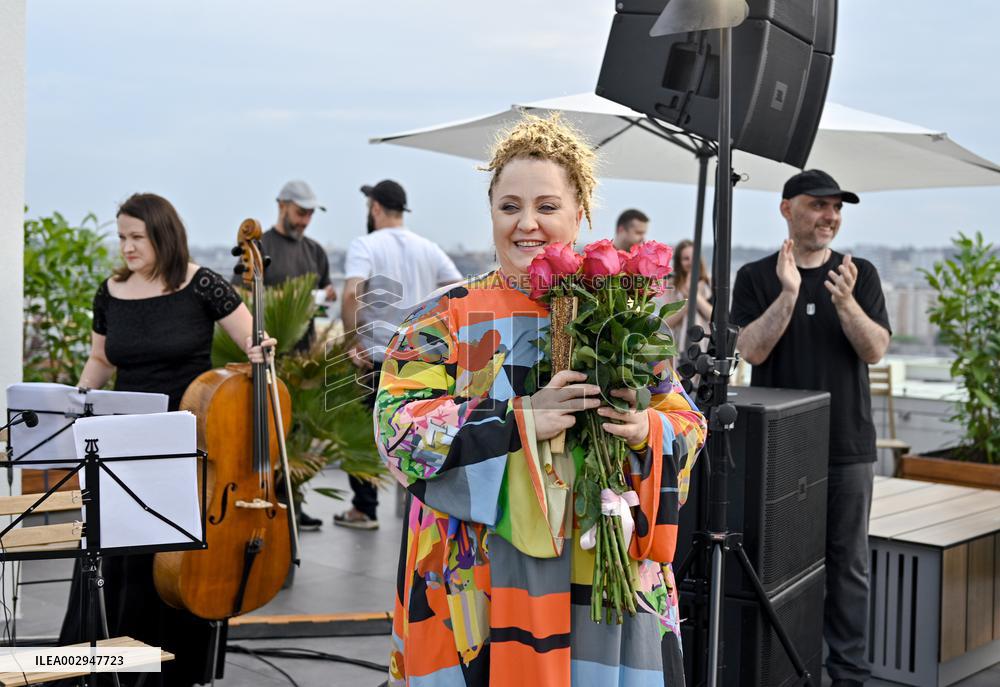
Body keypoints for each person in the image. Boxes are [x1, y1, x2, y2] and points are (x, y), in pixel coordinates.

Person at [376, 114, 706, 686]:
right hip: (476, 579)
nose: (527, 224)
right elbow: (397, 431)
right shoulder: (444, 316)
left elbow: (688, 422)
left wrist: (645, 428)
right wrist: (517, 419)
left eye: (547, 206)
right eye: (509, 207)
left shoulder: (621, 320)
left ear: (581, 214)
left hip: (603, 578)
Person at [61, 192, 275, 686]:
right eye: (122, 237)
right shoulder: (110, 290)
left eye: (137, 237)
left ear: (164, 234)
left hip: (185, 440)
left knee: (165, 560)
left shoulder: (200, 283)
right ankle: (100, 667)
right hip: (122, 435)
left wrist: (261, 348)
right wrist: (76, 399)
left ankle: (164, 670)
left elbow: (251, 339)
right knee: (113, 559)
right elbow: (101, 361)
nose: (127, 248)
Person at [730, 169, 891, 687]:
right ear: (786, 209)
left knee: (849, 569)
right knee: (776, 567)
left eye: (836, 208)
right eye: (818, 205)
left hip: (847, 448)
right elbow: (750, 351)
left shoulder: (858, 273)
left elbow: (875, 350)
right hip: (778, 451)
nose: (830, 216)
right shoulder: (757, 276)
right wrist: (789, 294)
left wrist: (845, 303)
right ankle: (782, 670)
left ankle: (847, 676)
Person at [334, 179, 462, 529]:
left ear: (375, 208)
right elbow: (458, 289)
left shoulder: (365, 245)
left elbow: (350, 295)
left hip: (377, 357)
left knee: (365, 433)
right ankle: (418, 509)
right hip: (422, 361)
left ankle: (364, 508)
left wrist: (350, 340)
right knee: (418, 433)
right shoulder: (429, 248)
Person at [233, 179, 333, 530]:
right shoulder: (261, 246)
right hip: (265, 359)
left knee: (297, 436)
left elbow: (325, 292)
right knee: (266, 435)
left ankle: (293, 504)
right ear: (282, 206)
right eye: (300, 212)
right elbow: (238, 300)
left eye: (309, 214)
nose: (305, 220)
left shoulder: (316, 252)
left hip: (303, 359)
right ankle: (261, 498)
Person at [663, 238, 713, 352]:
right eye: (686, 259)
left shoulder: (709, 283)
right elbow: (667, 322)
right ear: (679, 262)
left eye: (693, 258)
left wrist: (695, 295)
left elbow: (714, 317)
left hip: (705, 346)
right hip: (678, 346)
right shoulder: (671, 285)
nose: (690, 262)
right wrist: (688, 304)